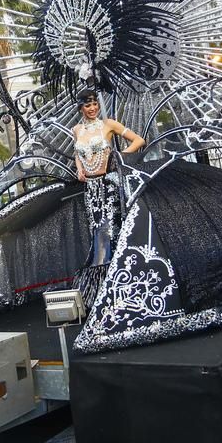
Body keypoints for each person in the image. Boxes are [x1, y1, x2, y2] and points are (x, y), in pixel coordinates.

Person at [72, 88, 145, 304]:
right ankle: (102, 292)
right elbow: (78, 153)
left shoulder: (109, 124)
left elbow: (139, 140)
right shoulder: (76, 130)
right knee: (97, 234)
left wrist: (118, 158)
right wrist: (79, 169)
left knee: (111, 231)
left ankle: (122, 285)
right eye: (88, 105)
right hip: (90, 190)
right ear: (81, 108)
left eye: (95, 104)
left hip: (108, 185)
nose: (93, 108)